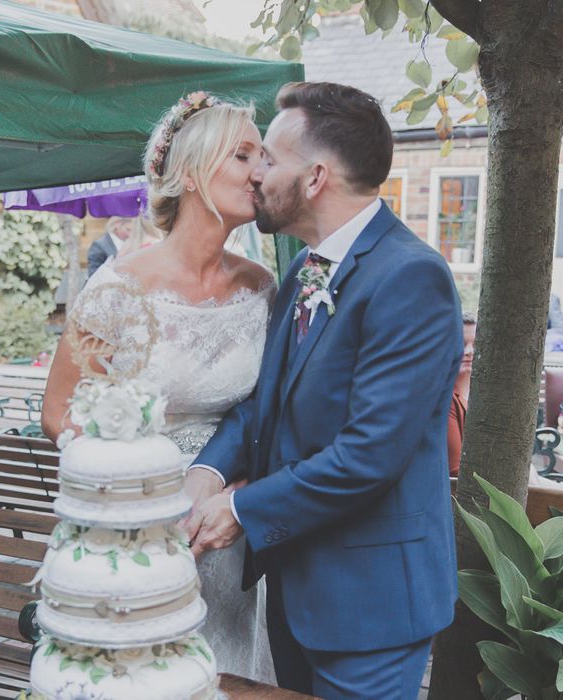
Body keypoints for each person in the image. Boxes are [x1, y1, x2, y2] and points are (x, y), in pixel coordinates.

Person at [184, 82, 463, 699]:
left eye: (271, 160)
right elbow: (267, 401)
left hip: (372, 602)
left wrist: (238, 508)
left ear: (314, 178)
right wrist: (208, 470)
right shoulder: (307, 269)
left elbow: (369, 455)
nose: (256, 173)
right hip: (298, 584)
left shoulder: (410, 278)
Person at [42, 91, 276, 682]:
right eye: (244, 155)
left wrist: (238, 496)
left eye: (264, 157)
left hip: (227, 532)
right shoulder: (118, 288)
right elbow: (58, 411)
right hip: (139, 536)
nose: (261, 172)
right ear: (194, 173)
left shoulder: (263, 288)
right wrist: (134, 494)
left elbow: (268, 415)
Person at [448, 313, 476, 476]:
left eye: (476, 344)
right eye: (462, 343)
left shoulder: (484, 395)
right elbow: (455, 472)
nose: (469, 351)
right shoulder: (447, 400)